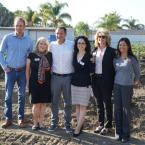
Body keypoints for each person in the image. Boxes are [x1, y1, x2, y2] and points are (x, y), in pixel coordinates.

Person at [0, 17, 33, 128]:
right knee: (8, 96)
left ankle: (20, 118)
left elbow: (30, 56)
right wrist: (4, 66)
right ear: (14, 26)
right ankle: (8, 119)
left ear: (24, 27)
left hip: (22, 71)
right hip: (10, 71)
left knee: (22, 95)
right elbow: (1, 52)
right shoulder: (7, 38)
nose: (19, 27)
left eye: (21, 25)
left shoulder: (28, 40)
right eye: (17, 25)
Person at [114, 38, 140, 143]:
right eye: (120, 45)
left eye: (124, 45)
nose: (122, 47)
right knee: (117, 110)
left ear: (128, 46)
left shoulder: (132, 58)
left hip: (127, 87)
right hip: (116, 86)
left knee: (125, 111)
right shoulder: (116, 59)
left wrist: (135, 81)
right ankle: (118, 133)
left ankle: (125, 134)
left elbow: (137, 72)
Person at [48, 27, 74, 133]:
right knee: (54, 102)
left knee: (68, 103)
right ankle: (54, 124)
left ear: (65, 34)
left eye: (61, 33)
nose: (59, 35)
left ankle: (67, 125)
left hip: (68, 78)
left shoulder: (71, 44)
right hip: (55, 77)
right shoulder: (52, 45)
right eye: (57, 33)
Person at [92, 28, 116, 135]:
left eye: (103, 37)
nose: (101, 39)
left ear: (107, 39)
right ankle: (101, 124)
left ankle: (108, 125)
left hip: (107, 80)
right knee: (99, 103)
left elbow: (115, 68)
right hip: (95, 80)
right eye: (99, 37)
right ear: (97, 39)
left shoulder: (112, 51)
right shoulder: (94, 51)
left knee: (107, 103)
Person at [26, 37, 52, 130]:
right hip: (34, 83)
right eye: (41, 43)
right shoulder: (31, 55)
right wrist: (28, 82)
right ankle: (35, 123)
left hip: (46, 83)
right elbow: (27, 70)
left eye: (44, 44)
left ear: (47, 46)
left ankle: (41, 123)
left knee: (43, 104)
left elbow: (51, 69)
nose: (42, 45)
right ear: (37, 44)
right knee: (36, 104)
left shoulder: (49, 55)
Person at [71, 36, 94, 137]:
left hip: (85, 85)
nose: (80, 44)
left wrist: (93, 62)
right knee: (77, 106)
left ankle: (77, 128)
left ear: (86, 45)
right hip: (74, 83)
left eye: (83, 43)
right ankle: (79, 126)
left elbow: (92, 71)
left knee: (83, 107)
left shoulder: (89, 56)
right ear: (76, 44)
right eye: (79, 43)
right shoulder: (74, 54)